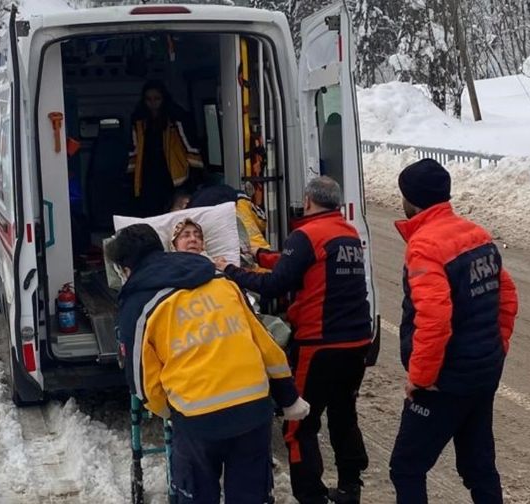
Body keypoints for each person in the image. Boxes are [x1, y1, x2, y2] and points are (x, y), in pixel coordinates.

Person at [108, 224, 310, 504]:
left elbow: (143, 381)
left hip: (197, 418)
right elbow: (266, 345)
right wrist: (288, 397)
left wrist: (172, 411)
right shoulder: (219, 280)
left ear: (124, 268)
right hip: (254, 409)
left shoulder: (137, 305)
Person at [216, 176, 372, 504]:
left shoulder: (306, 235)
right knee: (344, 414)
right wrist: (260, 255)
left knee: (299, 422)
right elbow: (299, 265)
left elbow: (276, 284)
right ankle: (349, 486)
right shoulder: (347, 233)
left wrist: (231, 270)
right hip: (356, 342)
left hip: (319, 344)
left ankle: (311, 495)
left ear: (308, 201)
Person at [389, 159, 518, 504]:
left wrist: (420, 377)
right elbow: (507, 296)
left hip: (443, 380)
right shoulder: (477, 234)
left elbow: (434, 318)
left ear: (411, 200)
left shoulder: (424, 246)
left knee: (406, 467)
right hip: (482, 372)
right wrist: (497, 347)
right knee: (479, 467)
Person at [128, 81, 203, 216]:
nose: (153, 103)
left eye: (157, 98)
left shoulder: (176, 118)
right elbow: (134, 149)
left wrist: (195, 175)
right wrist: (131, 176)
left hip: (173, 175)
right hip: (147, 174)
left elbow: (190, 146)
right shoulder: (139, 120)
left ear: (164, 99)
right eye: (148, 99)